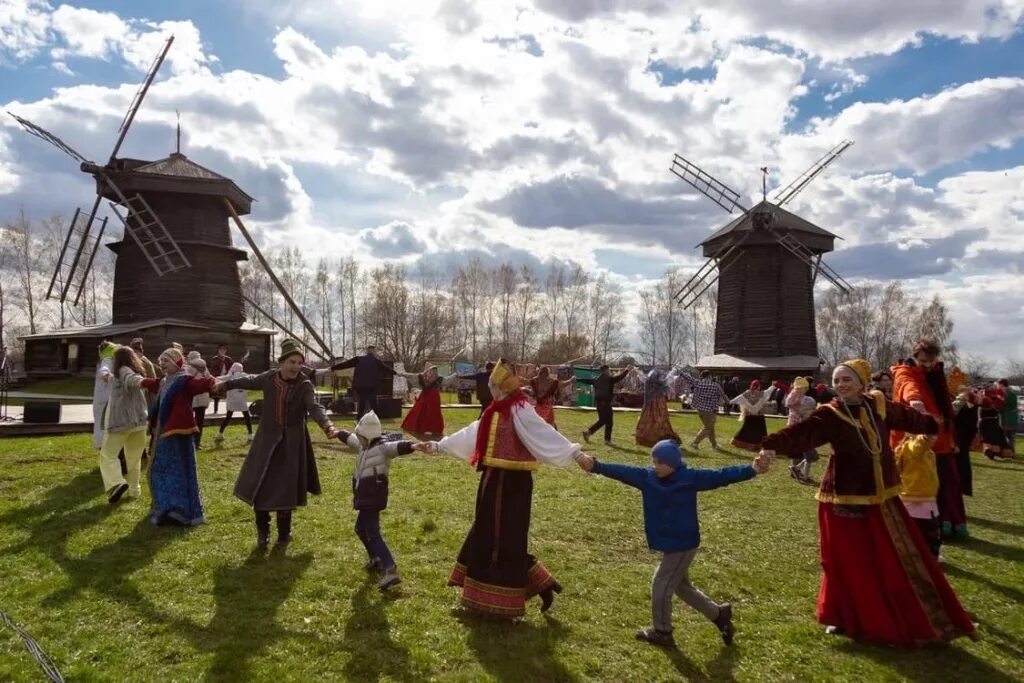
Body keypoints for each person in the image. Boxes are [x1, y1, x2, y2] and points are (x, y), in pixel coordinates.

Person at [759, 359, 976, 647]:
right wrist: (768, 445)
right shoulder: (830, 414)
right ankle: (841, 615)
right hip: (844, 496)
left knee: (890, 559)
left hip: (882, 497)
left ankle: (898, 611)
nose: (841, 385)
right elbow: (802, 434)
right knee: (843, 560)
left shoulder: (878, 405)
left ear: (862, 382)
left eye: (847, 379)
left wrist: (934, 422)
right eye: (837, 380)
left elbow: (910, 419)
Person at [428, 359, 589, 618]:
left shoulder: (519, 409)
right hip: (492, 479)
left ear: (502, 386)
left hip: (513, 483)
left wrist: (575, 454)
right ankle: (537, 584)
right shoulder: (495, 409)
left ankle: (505, 597)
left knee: (503, 538)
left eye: (493, 385)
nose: (490, 388)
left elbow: (543, 433)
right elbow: (472, 433)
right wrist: (439, 446)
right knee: (490, 533)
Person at [576, 440, 766, 648]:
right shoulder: (647, 478)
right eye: (653, 460)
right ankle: (719, 614)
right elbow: (622, 471)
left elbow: (721, 476)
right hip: (669, 543)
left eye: (660, 462)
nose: (655, 465)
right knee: (682, 588)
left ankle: (662, 632)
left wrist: (752, 469)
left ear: (673, 463)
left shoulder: (690, 478)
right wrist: (595, 465)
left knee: (661, 585)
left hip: (683, 544)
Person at [217, 339, 338, 548]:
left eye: (299, 363)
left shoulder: (304, 385)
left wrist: (327, 425)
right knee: (261, 486)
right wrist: (226, 384)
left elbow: (314, 406)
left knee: (285, 489)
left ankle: (284, 534)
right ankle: (263, 532)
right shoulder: (269, 378)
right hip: (266, 440)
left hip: (291, 444)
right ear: (282, 362)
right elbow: (249, 380)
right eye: (292, 362)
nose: (295, 367)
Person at [336, 411, 431, 590]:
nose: (359, 439)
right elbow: (351, 440)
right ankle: (376, 559)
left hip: (372, 497)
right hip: (365, 497)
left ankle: (389, 568)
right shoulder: (363, 446)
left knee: (372, 532)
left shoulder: (382, 448)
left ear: (369, 436)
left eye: (361, 436)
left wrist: (414, 446)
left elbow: (398, 446)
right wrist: (338, 433)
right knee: (360, 529)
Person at [891, 341, 964, 540]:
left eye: (931, 361)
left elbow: (945, 407)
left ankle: (943, 525)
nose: (927, 364)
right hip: (912, 441)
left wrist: (949, 438)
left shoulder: (935, 375)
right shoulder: (905, 371)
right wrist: (915, 401)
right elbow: (908, 385)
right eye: (923, 360)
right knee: (914, 487)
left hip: (937, 439)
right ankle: (912, 531)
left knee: (941, 484)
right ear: (915, 357)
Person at [140, 348, 216, 526]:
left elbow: (200, 385)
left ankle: (178, 510)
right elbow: (153, 383)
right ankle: (163, 506)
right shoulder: (165, 381)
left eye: (166, 361)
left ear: (176, 362)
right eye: (161, 362)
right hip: (161, 435)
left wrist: (214, 382)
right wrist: (139, 380)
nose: (162, 365)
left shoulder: (184, 381)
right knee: (159, 469)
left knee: (178, 470)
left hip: (177, 436)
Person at [99, 346, 149, 504]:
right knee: (134, 459)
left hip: (122, 423)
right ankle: (134, 491)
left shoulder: (124, 370)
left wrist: (143, 382)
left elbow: (131, 379)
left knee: (107, 455)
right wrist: (108, 376)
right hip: (139, 423)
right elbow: (126, 379)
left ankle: (117, 483)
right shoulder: (127, 372)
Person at [894, 434, 943, 561]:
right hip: (917, 498)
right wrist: (925, 435)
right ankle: (925, 556)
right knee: (924, 530)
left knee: (931, 528)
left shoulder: (927, 452)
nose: (935, 437)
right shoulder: (913, 447)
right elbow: (918, 446)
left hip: (926, 497)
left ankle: (929, 554)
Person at [332, 345, 395, 418]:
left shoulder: (359, 359)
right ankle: (377, 418)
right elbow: (386, 369)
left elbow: (346, 364)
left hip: (361, 386)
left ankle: (360, 418)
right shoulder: (376, 361)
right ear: (374, 352)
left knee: (362, 403)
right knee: (373, 404)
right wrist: (396, 373)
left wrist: (333, 368)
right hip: (371, 386)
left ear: (367, 351)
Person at [579, 364, 633, 445]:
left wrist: (577, 379)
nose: (610, 371)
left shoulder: (597, 379)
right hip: (605, 403)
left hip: (599, 403)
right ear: (606, 370)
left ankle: (603, 438)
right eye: (609, 370)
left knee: (606, 421)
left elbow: (587, 380)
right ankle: (591, 433)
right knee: (606, 421)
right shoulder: (608, 379)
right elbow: (618, 378)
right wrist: (627, 370)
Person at [676, 369, 727, 451]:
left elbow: (688, 377)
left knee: (710, 427)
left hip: (700, 410)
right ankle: (695, 443)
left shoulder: (697, 382)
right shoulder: (716, 385)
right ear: (709, 376)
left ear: (702, 376)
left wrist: (680, 372)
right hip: (710, 410)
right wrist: (729, 401)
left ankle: (714, 445)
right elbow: (723, 395)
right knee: (708, 427)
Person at [783, 377, 818, 483]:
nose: (804, 390)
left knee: (807, 454)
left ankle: (796, 469)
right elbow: (796, 408)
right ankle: (800, 473)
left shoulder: (800, 398)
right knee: (808, 454)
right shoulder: (795, 398)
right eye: (803, 388)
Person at [635, 367, 681, 447]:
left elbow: (642, 377)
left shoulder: (649, 382)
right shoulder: (660, 383)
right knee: (659, 419)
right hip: (657, 403)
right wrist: (673, 371)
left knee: (650, 420)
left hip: (650, 404)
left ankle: (649, 436)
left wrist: (637, 371)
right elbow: (668, 380)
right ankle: (657, 437)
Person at [401, 365, 446, 438]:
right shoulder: (424, 376)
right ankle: (418, 427)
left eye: (434, 371)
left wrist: (456, 375)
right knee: (419, 411)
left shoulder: (438, 378)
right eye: (432, 371)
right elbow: (412, 376)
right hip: (425, 396)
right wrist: (402, 374)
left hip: (433, 397)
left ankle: (433, 429)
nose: (433, 373)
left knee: (433, 413)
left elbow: (447, 380)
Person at [215, 362, 254, 445]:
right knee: (247, 417)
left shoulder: (229, 376)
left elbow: (220, 379)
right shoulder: (245, 376)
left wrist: (213, 377)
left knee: (228, 417)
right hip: (242, 400)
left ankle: (220, 433)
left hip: (231, 400)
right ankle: (250, 434)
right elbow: (253, 378)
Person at [951, 385, 980, 497]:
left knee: (960, 463)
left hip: (961, 437)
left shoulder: (967, 406)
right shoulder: (968, 405)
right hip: (963, 436)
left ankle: (961, 487)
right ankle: (961, 487)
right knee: (962, 462)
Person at [729, 380, 769, 451]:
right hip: (758, 416)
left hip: (749, 416)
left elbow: (737, 399)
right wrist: (774, 386)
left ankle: (740, 442)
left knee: (746, 431)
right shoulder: (762, 393)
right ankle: (758, 445)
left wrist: (729, 401)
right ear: (759, 386)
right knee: (760, 432)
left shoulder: (746, 393)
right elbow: (769, 391)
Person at [92, 341, 116, 449]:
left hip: (103, 397)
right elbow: (104, 371)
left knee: (101, 421)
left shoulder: (106, 359)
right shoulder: (107, 360)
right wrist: (108, 376)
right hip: (105, 397)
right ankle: (102, 444)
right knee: (102, 422)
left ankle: (102, 443)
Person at [979, 384, 1012, 460]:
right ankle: (991, 452)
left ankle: (991, 452)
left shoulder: (984, 400)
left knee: (989, 439)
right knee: (994, 439)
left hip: (987, 422)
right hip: (992, 422)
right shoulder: (992, 400)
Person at [186, 356, 212, 451]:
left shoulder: (189, 370)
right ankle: (196, 443)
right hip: (201, 399)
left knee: (193, 422)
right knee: (198, 422)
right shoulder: (204, 371)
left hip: (194, 399)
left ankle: (193, 443)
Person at [209, 345, 233, 414]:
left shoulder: (228, 359)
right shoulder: (215, 359)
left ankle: (229, 409)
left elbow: (231, 368)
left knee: (228, 393)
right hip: (217, 377)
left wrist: (229, 375)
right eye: (221, 350)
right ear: (218, 351)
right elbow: (213, 368)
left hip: (226, 377)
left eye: (224, 350)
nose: (222, 351)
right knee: (216, 395)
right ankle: (215, 410)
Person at [997, 378, 1018, 456]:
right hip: (1008, 418)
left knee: (1008, 437)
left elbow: (1009, 406)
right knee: (1009, 437)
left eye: (998, 385)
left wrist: (998, 407)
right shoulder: (1010, 393)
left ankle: (1009, 452)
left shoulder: (1009, 394)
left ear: (1002, 385)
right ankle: (1008, 452)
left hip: (1008, 418)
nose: (997, 386)